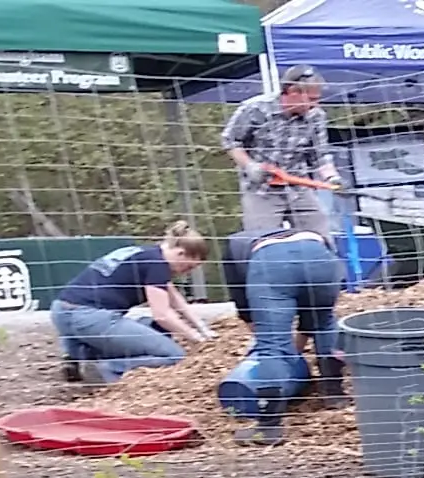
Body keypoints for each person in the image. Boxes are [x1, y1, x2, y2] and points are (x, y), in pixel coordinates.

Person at [214, 225, 345, 444]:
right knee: (325, 322)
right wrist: (296, 349)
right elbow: (312, 320)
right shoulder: (299, 230)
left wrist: (266, 343)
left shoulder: (233, 246)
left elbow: (244, 307)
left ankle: (269, 426)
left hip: (272, 264)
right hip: (320, 256)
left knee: (270, 345)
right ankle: (334, 393)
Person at [49, 225, 212, 384]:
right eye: (189, 266)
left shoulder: (145, 253)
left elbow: (173, 296)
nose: (186, 272)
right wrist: (196, 339)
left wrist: (201, 327)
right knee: (174, 356)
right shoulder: (158, 264)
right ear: (180, 253)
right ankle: (108, 369)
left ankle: (77, 354)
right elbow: (162, 315)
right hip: (92, 318)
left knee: (150, 325)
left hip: (61, 313)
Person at [221, 67, 338, 235]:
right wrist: (250, 166)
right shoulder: (255, 109)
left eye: (317, 100)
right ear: (292, 92)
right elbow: (230, 141)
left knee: (320, 236)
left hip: (299, 189)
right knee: (263, 241)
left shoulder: (316, 116)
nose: (314, 105)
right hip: (262, 190)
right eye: (311, 99)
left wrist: (332, 177)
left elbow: (320, 155)